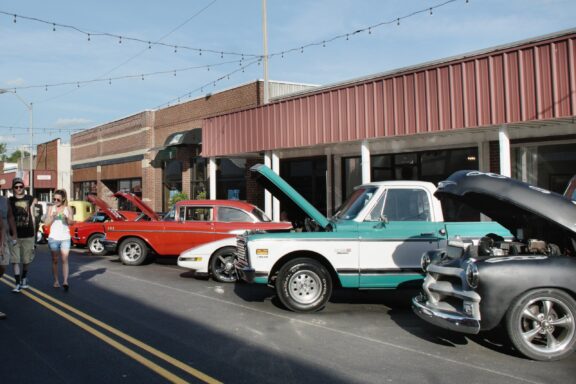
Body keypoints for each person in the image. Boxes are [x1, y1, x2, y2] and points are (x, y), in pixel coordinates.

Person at [9, 177, 38, 293]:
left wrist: (35, 233)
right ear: (13, 189)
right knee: (15, 260)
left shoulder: (30, 199)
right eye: (16, 187)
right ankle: (17, 283)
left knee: (26, 260)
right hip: (14, 235)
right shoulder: (10, 200)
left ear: (24, 187)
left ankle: (24, 278)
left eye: (21, 186)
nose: (19, 188)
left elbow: (33, 215)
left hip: (28, 233)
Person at [44, 189, 74, 291]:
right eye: (54, 199)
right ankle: (56, 281)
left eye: (58, 199)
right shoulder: (51, 208)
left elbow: (71, 222)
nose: (56, 201)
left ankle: (65, 281)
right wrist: (52, 217)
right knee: (55, 260)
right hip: (54, 238)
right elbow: (46, 223)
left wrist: (66, 218)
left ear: (63, 199)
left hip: (65, 237)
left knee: (65, 259)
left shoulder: (68, 209)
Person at [0, 190, 18, 319]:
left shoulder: (4, 201)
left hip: (3, 239)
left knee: (2, 267)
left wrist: (14, 234)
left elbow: (9, 218)